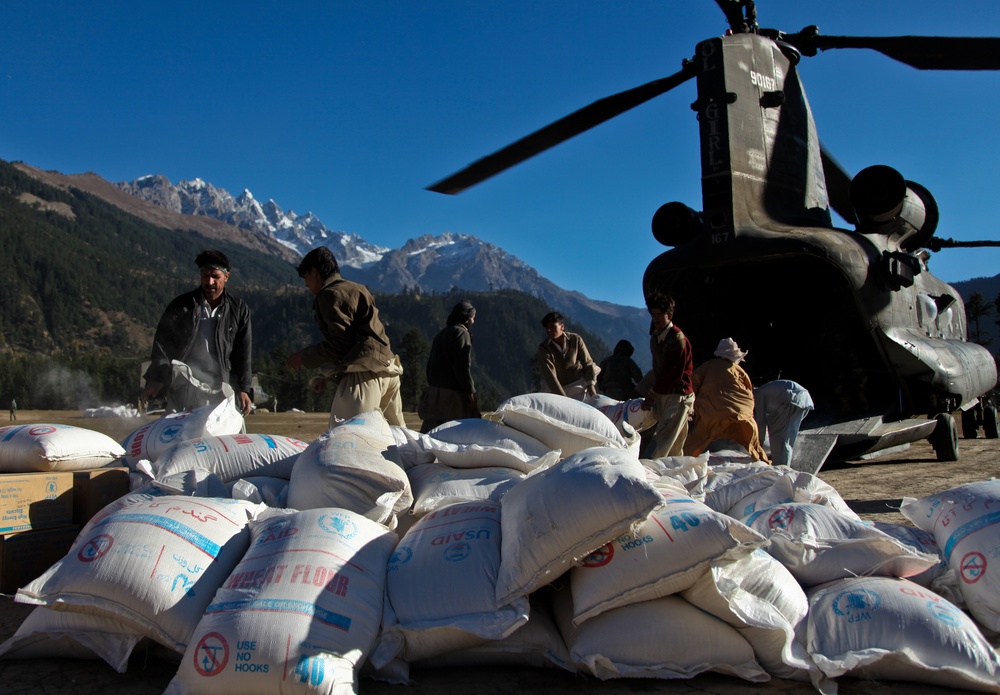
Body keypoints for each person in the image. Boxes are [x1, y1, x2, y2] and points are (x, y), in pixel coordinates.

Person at [286, 246, 404, 428]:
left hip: (364, 376)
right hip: (389, 371)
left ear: (314, 272)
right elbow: (357, 340)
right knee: (400, 442)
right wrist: (326, 375)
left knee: (346, 442)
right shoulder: (357, 288)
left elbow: (341, 345)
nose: (306, 284)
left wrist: (304, 357)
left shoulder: (329, 294)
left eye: (306, 278)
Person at [141, 249, 253, 415]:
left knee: (218, 437)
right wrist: (157, 378)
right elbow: (162, 346)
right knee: (179, 436)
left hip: (220, 388)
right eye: (205, 276)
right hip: (183, 386)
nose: (209, 282)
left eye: (215, 276)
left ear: (226, 277)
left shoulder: (238, 310)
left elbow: (243, 353)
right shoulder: (181, 306)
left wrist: (243, 389)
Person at [684, 338, 769, 462]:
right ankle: (763, 462)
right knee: (753, 443)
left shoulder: (708, 366)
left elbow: (691, 385)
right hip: (740, 415)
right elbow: (748, 391)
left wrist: (690, 407)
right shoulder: (739, 370)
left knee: (696, 441)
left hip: (712, 414)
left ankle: (680, 463)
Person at [639, 293, 695, 458]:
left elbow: (672, 374)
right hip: (664, 394)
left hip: (677, 395)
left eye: (659, 315)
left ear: (669, 315)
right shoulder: (656, 338)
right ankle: (673, 474)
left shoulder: (677, 339)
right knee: (674, 443)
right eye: (653, 315)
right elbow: (658, 370)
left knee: (664, 439)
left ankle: (653, 475)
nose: (655, 319)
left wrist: (651, 395)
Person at [419, 300, 481, 433]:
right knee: (454, 434)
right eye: (473, 317)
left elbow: (430, 367)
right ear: (467, 318)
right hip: (452, 397)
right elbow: (462, 367)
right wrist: (470, 391)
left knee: (430, 433)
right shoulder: (462, 334)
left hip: (435, 392)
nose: (474, 321)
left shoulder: (441, 334)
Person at [536, 311, 600, 400]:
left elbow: (587, 363)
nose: (549, 330)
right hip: (560, 389)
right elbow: (551, 377)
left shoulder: (575, 339)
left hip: (580, 384)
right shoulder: (544, 348)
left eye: (552, 327)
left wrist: (591, 385)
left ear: (562, 326)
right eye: (547, 328)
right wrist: (564, 399)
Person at [754, 379, 814, 467]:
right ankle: (783, 466)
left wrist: (758, 448)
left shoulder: (758, 395)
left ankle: (781, 468)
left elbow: (761, 421)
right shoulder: (764, 390)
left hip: (792, 399)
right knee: (786, 436)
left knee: (779, 438)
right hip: (803, 399)